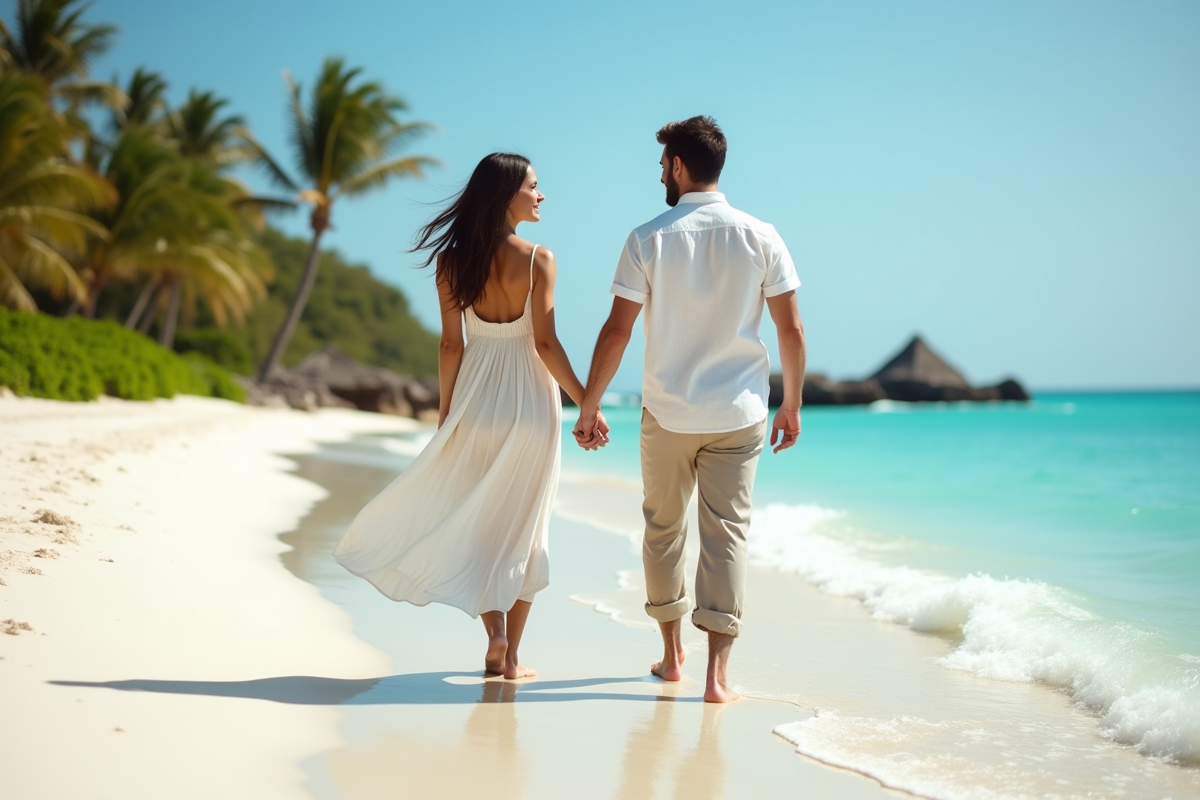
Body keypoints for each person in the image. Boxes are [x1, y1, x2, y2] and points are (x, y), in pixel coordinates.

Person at [573, 116, 806, 703]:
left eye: (661, 166)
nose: (660, 176)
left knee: (663, 530)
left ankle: (673, 655)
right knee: (726, 536)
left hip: (668, 413)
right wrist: (792, 404)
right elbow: (791, 329)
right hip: (739, 414)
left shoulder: (647, 237)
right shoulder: (763, 235)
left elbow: (617, 330)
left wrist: (589, 403)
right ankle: (716, 679)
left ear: (678, 166)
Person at [333, 153, 586, 680]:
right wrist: (588, 401)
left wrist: (449, 411)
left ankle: (493, 634)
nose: (541, 196)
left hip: (475, 400)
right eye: (534, 187)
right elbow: (544, 342)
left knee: (484, 526)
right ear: (506, 195)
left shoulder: (451, 263)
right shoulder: (539, 258)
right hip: (529, 404)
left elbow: (452, 344)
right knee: (525, 528)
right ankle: (511, 657)